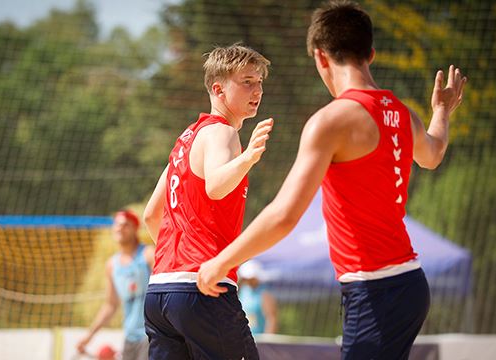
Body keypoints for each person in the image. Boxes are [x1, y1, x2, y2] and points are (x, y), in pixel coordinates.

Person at [197, 1, 467, 359]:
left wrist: (221, 262)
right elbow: (432, 154)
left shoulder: (332, 121)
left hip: (374, 288)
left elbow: (285, 215)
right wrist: (442, 113)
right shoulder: (399, 111)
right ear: (370, 53)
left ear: (321, 57)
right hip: (409, 284)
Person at [142, 43, 273, 360]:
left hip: (160, 292)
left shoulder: (186, 139)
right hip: (203, 288)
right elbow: (215, 186)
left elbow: (151, 215)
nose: (257, 89)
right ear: (218, 89)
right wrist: (248, 159)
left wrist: (178, 263)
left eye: (259, 82)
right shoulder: (222, 133)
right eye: (246, 82)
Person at [76, 210, 154, 360]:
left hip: (150, 334)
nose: (120, 228)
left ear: (135, 229)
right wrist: (88, 337)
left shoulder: (148, 255)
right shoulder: (112, 265)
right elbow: (110, 305)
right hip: (130, 337)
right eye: (117, 224)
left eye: (125, 225)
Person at [237, 260, 278, 335]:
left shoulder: (264, 294)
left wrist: (268, 339)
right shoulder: (243, 291)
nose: (248, 280)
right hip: (245, 337)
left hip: (260, 338)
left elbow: (271, 318)